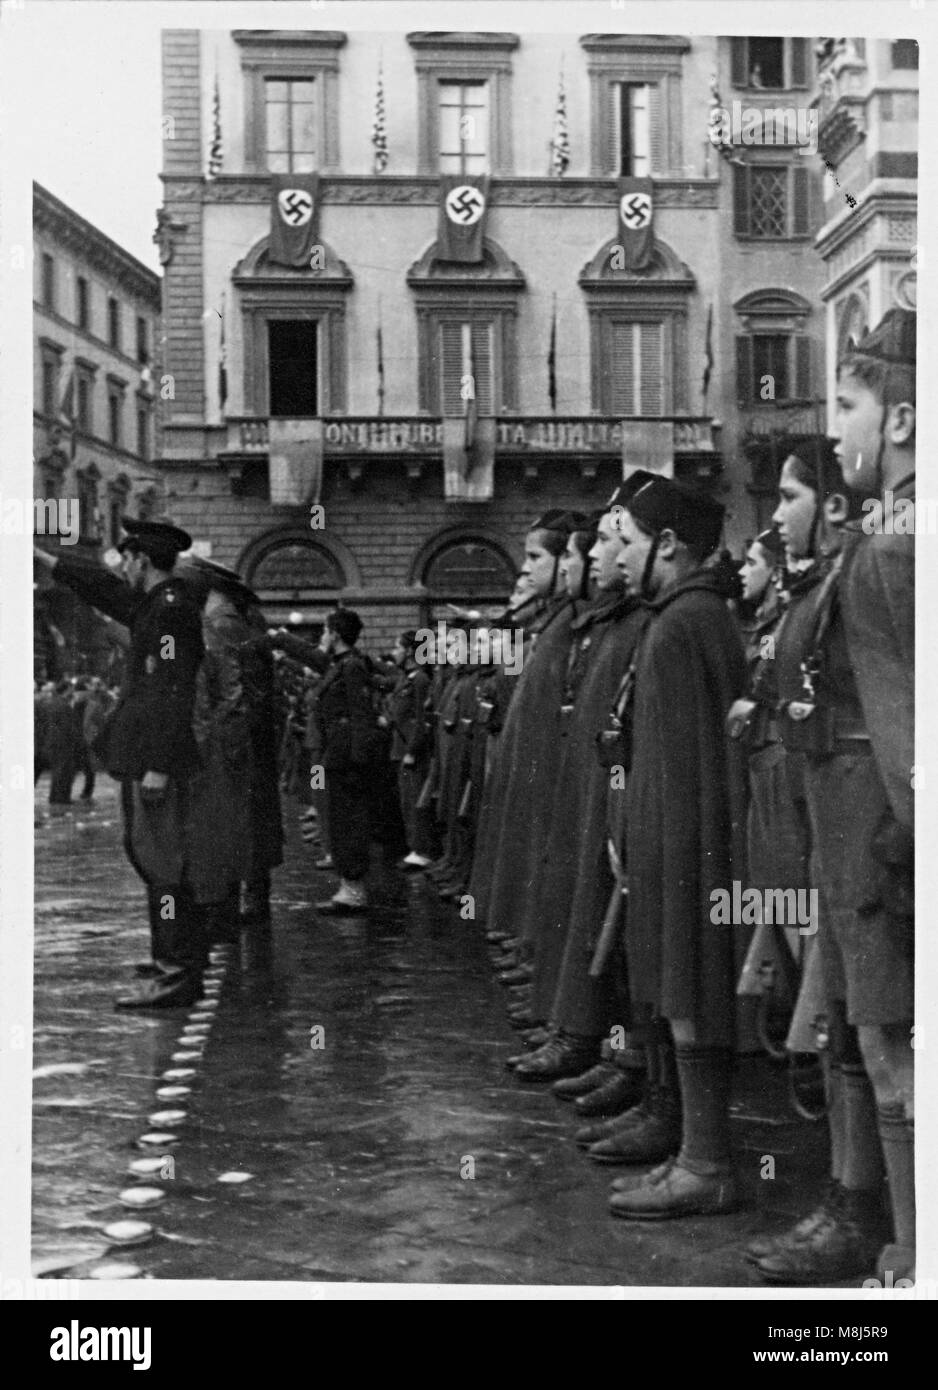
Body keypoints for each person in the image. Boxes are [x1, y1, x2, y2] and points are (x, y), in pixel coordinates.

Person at [746, 310, 915, 1283]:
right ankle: (881, 1234)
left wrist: (902, 845)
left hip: (884, 846)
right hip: (859, 838)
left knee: (893, 1051)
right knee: (869, 1043)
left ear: (897, 420)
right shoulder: (883, 535)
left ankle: (904, 1255)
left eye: (845, 406)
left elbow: (906, 731)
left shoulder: (893, 546)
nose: (835, 426)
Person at [602, 477, 747, 1218]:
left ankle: (708, 1162)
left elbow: (698, 764)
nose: (616, 557)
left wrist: (672, 853)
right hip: (671, 842)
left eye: (624, 541)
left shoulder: (688, 621)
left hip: (691, 850)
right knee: (680, 995)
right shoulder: (681, 616)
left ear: (666, 545)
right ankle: (694, 1152)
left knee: (694, 997)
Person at [34, 518, 207, 1008]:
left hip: (158, 760)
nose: (122, 569)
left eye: (126, 560)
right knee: (151, 860)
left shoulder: (170, 612)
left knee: (163, 865)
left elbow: (174, 688)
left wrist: (159, 764)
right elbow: (105, 589)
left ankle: (177, 971)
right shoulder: (157, 605)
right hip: (149, 755)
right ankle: (172, 959)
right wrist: (47, 559)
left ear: (142, 560)